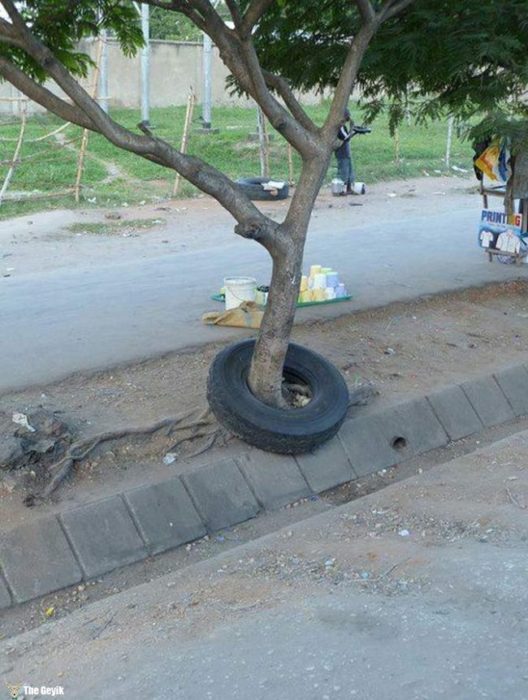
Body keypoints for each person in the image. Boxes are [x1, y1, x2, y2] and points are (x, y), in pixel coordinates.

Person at [335, 108, 355, 195]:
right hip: (342, 152)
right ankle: (340, 190)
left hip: (346, 151)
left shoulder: (343, 126)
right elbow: (346, 138)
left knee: (349, 170)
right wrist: (352, 129)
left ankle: (349, 188)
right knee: (343, 171)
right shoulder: (340, 127)